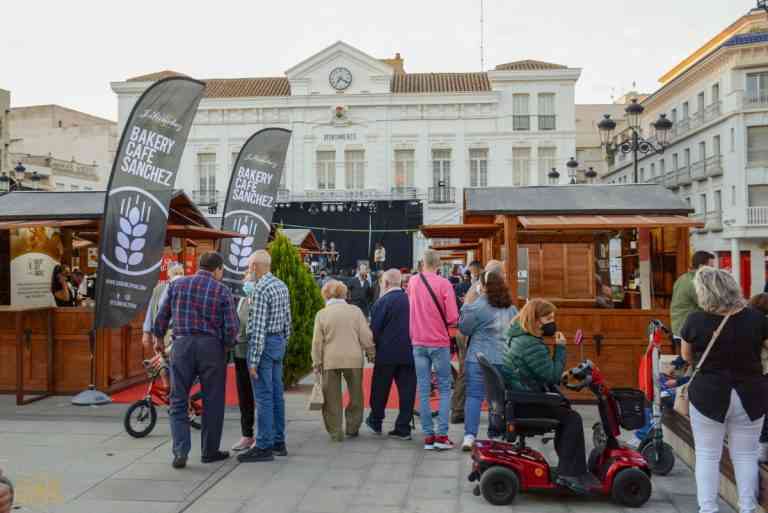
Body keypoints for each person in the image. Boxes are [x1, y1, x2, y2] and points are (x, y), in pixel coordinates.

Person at [681, 267, 768, 513]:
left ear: (703, 292)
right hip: (750, 395)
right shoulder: (756, 319)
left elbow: (687, 356)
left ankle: (708, 509)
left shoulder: (694, 320)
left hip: (709, 394)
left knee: (708, 455)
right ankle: (747, 507)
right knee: (746, 455)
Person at [153, 252, 239, 469]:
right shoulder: (222, 290)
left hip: (181, 345)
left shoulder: (177, 285)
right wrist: (227, 346)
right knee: (213, 400)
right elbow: (231, 327)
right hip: (211, 348)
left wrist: (158, 339)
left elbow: (162, 315)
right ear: (218, 269)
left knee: (178, 399)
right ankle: (209, 452)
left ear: (200, 266)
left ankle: (180, 450)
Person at [502, 298, 592, 493]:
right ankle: (569, 473)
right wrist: (560, 348)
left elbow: (542, 372)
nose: (552, 321)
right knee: (572, 418)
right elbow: (551, 374)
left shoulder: (517, 336)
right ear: (536, 320)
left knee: (565, 412)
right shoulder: (530, 344)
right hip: (527, 402)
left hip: (520, 397)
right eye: (548, 318)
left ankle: (568, 468)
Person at [238, 250, 292, 463]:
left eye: (250, 266)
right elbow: (288, 320)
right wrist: (283, 343)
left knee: (263, 396)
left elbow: (258, 328)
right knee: (277, 395)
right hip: (278, 341)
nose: (249, 269)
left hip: (263, 344)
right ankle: (279, 441)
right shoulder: (281, 285)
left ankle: (263, 445)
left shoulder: (260, 289)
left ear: (254, 267)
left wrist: (253, 361)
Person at [458, 271, 518, 450]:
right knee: (499, 398)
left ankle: (469, 436)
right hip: (505, 359)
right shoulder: (511, 307)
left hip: (479, 358)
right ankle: (496, 432)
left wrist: (466, 304)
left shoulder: (478, 306)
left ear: (483, 286)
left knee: (474, 396)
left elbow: (464, 328)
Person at [408, 249, 459, 450]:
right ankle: (442, 435)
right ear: (439, 265)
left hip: (418, 341)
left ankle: (428, 436)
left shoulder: (412, 282)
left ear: (422, 263)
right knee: (445, 388)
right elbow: (453, 317)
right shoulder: (444, 284)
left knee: (423, 388)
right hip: (438, 342)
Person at [311, 280, 375, 441]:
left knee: (331, 397)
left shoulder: (322, 314)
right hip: (354, 359)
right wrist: (370, 352)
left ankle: (335, 431)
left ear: (325, 295)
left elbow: (317, 342)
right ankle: (352, 427)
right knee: (356, 395)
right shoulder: (355, 311)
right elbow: (366, 336)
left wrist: (316, 361)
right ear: (345, 294)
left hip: (330, 360)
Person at [451, 259, 504, 424]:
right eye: (503, 273)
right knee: (467, 372)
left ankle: (459, 409)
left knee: (465, 371)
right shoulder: (483, 287)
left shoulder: (478, 285)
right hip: (469, 334)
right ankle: (458, 410)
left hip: (466, 332)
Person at [366, 269, 415, 440]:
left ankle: (376, 420)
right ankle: (403, 427)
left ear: (386, 283)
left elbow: (374, 330)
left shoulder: (383, 302)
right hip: (408, 352)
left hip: (386, 353)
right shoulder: (410, 299)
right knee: (407, 391)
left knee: (380, 388)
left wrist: (372, 349)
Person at [142, 262, 185, 388]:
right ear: (168, 275)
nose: (178, 275)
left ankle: (176, 393)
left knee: (175, 365)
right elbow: (151, 311)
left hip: (177, 333)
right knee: (164, 367)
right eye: (175, 273)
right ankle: (167, 388)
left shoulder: (186, 289)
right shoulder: (159, 289)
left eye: (180, 273)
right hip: (161, 332)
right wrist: (146, 332)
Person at [231, 273, 257, 452]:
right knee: (244, 396)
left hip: (254, 353)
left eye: (248, 281)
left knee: (259, 396)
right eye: (245, 281)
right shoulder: (241, 301)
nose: (245, 283)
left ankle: (262, 434)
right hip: (239, 353)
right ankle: (246, 434)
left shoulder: (258, 301)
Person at [670, 251, 715, 339]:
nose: (713, 270)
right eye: (711, 267)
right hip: (687, 331)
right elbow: (708, 306)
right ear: (702, 267)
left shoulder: (683, 278)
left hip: (680, 328)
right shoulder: (695, 283)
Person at [748, 292, 768, 462]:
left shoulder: (744, 322)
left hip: (750, 373)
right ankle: (762, 448)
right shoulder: (763, 323)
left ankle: (759, 447)